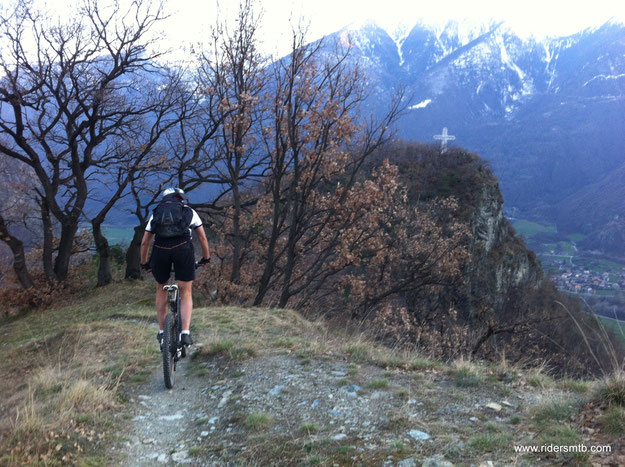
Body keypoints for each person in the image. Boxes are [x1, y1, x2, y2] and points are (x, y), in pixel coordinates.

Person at [140, 187, 210, 348]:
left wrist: (144, 262)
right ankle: (185, 333)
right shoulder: (189, 211)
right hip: (183, 250)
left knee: (161, 288)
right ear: (181, 198)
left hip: (161, 251)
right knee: (185, 291)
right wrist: (206, 257)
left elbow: (145, 242)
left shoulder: (157, 212)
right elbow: (202, 237)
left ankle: (162, 331)